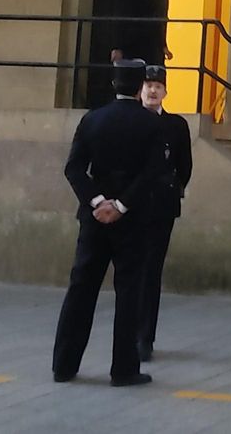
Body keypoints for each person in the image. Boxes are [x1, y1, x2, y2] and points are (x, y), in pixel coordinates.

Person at [52, 60, 166, 387]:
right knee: (129, 292)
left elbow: (74, 168)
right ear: (139, 87)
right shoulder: (151, 124)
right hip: (133, 219)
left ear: (114, 84)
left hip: (94, 219)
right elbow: (153, 172)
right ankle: (124, 368)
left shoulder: (92, 119)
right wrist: (121, 204)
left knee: (81, 288)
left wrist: (97, 201)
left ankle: (64, 364)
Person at [135, 64, 194, 363]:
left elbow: (184, 167)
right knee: (131, 271)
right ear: (140, 90)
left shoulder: (175, 126)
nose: (153, 90)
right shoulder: (128, 120)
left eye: (158, 86)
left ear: (165, 92)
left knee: (151, 271)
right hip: (130, 207)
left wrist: (169, 190)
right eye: (148, 85)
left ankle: (144, 337)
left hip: (160, 206)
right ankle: (127, 334)